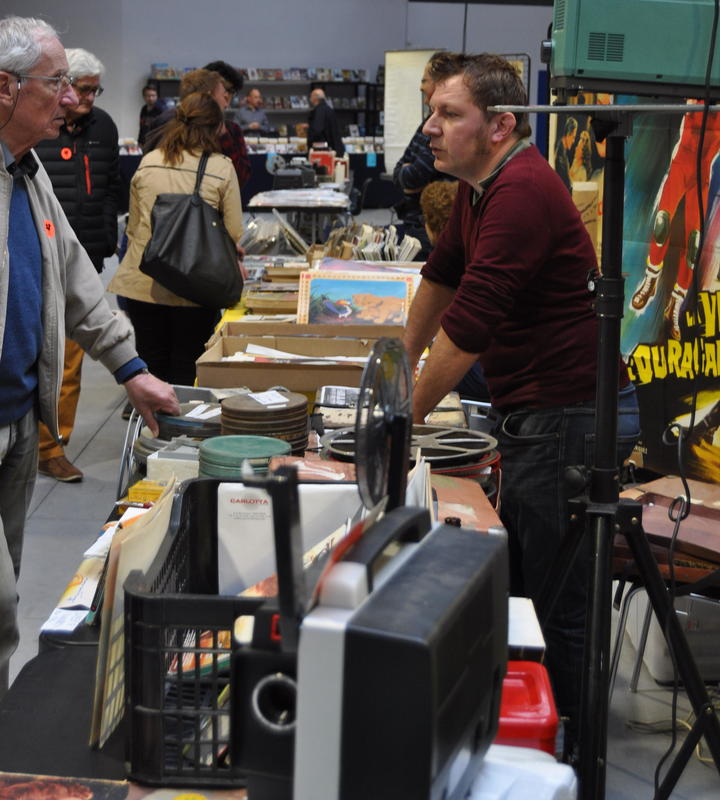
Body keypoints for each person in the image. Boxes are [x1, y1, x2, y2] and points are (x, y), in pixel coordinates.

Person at [401, 52, 640, 760]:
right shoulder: (481, 188)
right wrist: (390, 370)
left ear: (501, 125)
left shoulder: (521, 193)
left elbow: (469, 325)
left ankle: (568, 752)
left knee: (556, 600)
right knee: (533, 585)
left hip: (568, 418)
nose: (430, 129)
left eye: (448, 114)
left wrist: (399, 418)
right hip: (543, 413)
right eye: (432, 112)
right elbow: (441, 278)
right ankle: (548, 732)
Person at [0, 15, 179, 697]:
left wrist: (132, 369)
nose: (72, 101)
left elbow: (76, 278)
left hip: (18, 421)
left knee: (7, 595)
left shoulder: (29, 170)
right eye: (57, 87)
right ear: (6, 88)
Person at [108, 91, 244, 387]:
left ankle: (150, 430)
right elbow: (234, 233)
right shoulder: (220, 167)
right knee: (188, 369)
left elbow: (132, 227)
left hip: (145, 282)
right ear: (216, 127)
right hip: (197, 284)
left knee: (152, 367)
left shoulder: (149, 161)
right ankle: (183, 431)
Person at [33, 47, 119, 483]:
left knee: (70, 362)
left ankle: (54, 445)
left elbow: (109, 189)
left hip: (84, 255)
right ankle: (34, 443)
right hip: (40, 255)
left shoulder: (104, 126)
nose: (87, 97)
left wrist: (105, 236)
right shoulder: (40, 127)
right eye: (82, 88)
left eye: (93, 90)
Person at [631, 100, 720, 339]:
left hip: (702, 178)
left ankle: (676, 303)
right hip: (681, 166)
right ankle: (650, 282)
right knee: (662, 222)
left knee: (693, 245)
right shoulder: (698, 94)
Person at [144, 61, 250, 190]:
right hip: (174, 201)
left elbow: (239, 179)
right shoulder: (171, 122)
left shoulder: (230, 130)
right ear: (206, 90)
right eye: (224, 90)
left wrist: (223, 134)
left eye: (231, 92)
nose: (227, 97)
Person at [392, 53, 455, 258]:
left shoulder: (443, 127)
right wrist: (407, 174)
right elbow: (400, 172)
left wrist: (409, 174)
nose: (420, 87)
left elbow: (415, 175)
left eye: (424, 80)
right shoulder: (429, 123)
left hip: (431, 225)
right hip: (417, 223)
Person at [307, 88, 345, 156]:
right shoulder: (328, 109)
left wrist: (310, 138)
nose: (310, 99)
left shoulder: (319, 111)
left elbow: (317, 129)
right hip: (334, 147)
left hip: (323, 149)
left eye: (311, 96)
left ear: (315, 97)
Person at [137, 83, 164, 147]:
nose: (151, 98)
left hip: (156, 144)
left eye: (153, 95)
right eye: (148, 96)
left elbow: (163, 130)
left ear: (157, 96)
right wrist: (139, 142)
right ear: (144, 97)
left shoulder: (161, 110)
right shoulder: (143, 109)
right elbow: (142, 127)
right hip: (144, 143)